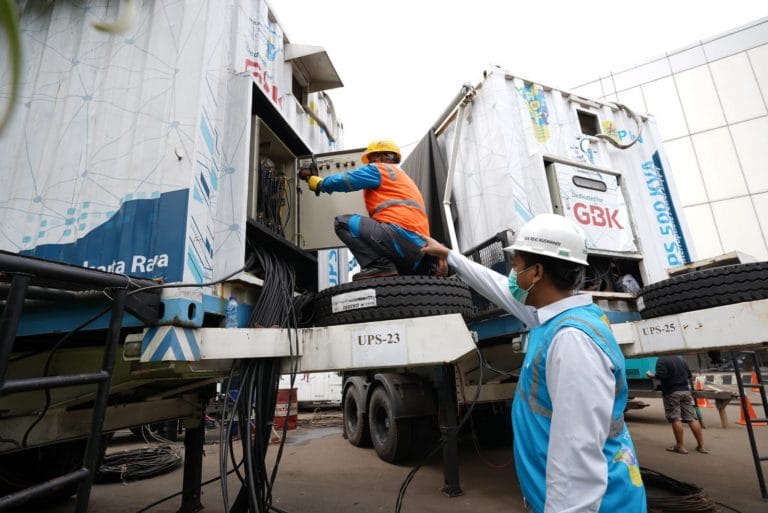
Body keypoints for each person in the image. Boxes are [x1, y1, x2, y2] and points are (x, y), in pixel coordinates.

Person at [421, 213, 647, 513]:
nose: (512, 275)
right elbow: (497, 287)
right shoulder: (553, 317)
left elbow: (576, 461)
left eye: (516, 266)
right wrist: (450, 256)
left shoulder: (572, 341)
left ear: (537, 272)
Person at [302, 139, 446, 281]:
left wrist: (321, 183)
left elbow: (347, 180)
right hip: (419, 252)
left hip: (398, 236)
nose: (370, 163)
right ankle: (386, 267)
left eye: (372, 158)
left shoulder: (379, 168)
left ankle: (379, 265)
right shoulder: (404, 179)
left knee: (342, 223)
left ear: (383, 157)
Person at [646, 356, 708, 454]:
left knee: (675, 418)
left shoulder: (662, 360)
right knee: (691, 418)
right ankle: (701, 446)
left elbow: (661, 376)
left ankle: (680, 446)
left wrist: (651, 376)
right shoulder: (680, 359)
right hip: (685, 392)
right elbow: (689, 375)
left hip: (672, 392)